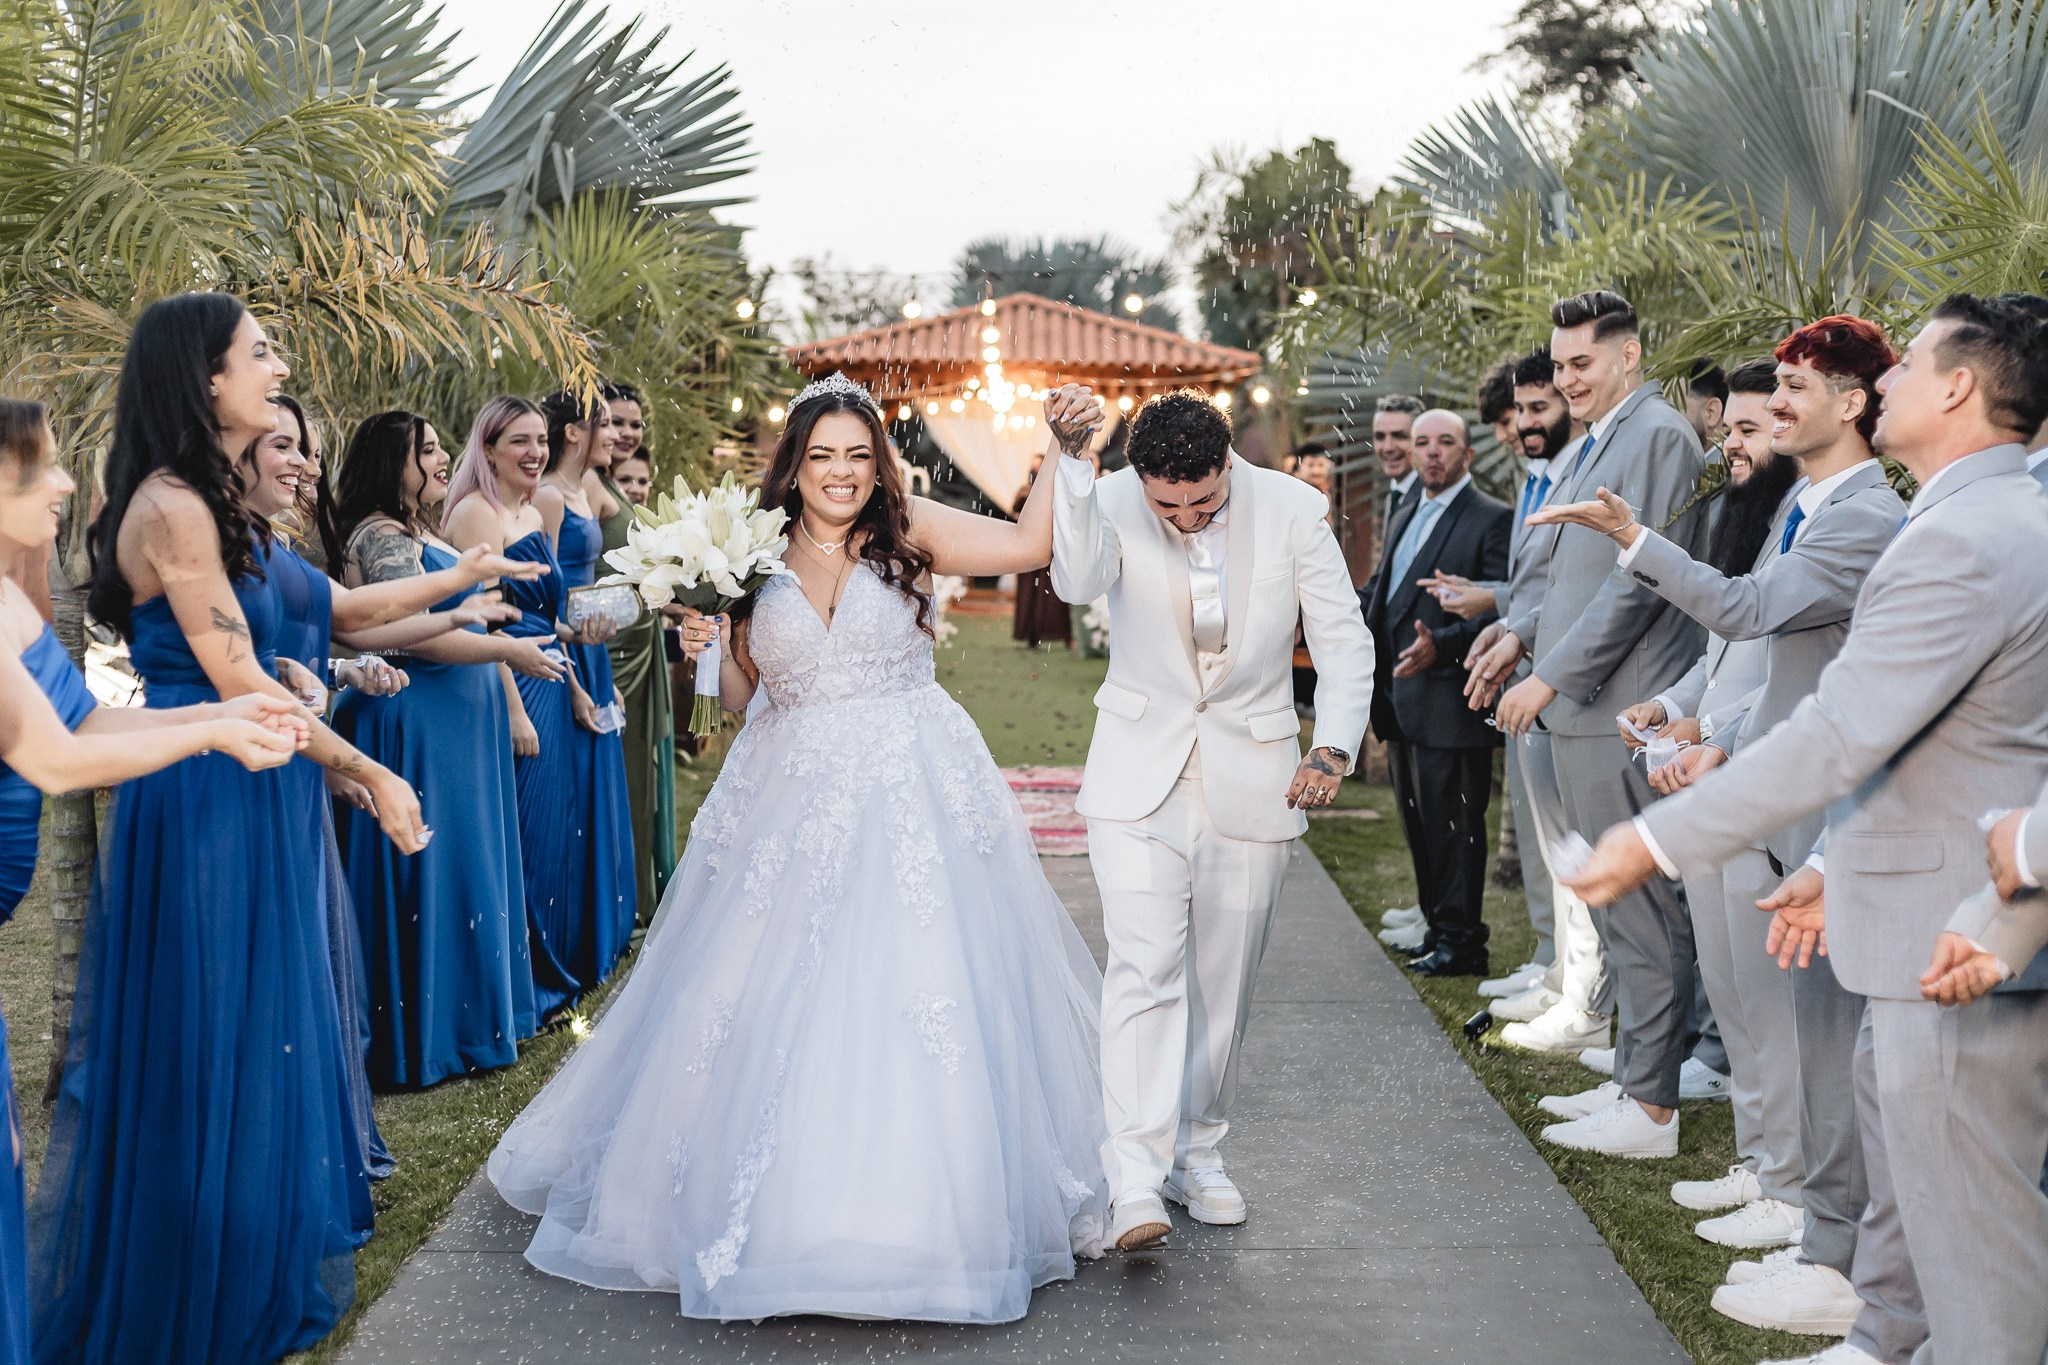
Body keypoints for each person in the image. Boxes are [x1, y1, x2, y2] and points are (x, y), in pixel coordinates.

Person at [489, 375, 1111, 1324]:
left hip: (913, 786)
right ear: (796, 461)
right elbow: (737, 700)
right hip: (788, 794)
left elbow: (1030, 544)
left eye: (860, 456)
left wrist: (1064, 450)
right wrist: (704, 636)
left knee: (921, 980)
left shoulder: (914, 532)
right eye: (823, 455)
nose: (842, 474)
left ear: (880, 463)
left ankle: (920, 1219)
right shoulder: (745, 549)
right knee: (750, 988)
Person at [1562, 294, 2048, 1365]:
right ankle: (1886, 1333)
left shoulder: (1960, 534)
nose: (1888, 380)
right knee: (1934, 1214)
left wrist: (1655, 838)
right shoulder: (1977, 516)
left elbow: (1837, 728)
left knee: (1981, 1261)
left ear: (1959, 388)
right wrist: (1836, 856)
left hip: (1954, 930)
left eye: (1910, 360)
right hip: (1923, 904)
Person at [28, 292, 427, 1365]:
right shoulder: (172, 505)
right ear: (205, 379)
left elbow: (259, 658)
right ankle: (193, 1289)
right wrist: (368, 773)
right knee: (215, 1028)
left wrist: (318, 712)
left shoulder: (208, 500)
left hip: (256, 776)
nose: (277, 363)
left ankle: (244, 1252)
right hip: (206, 793)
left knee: (264, 1022)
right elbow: (233, 675)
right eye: (259, 353)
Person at [0, 398, 306, 1365]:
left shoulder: (11, 601)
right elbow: (51, 761)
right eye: (33, 473)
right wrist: (216, 726)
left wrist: (217, 725)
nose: (61, 485)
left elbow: (86, 723)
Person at [1051, 389, 1373, 1252]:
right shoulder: (1109, 496)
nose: (1188, 517)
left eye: (1205, 500)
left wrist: (1332, 746)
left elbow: (1343, 641)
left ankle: (1202, 1151)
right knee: (1143, 967)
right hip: (1137, 773)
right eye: (1169, 504)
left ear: (1228, 464)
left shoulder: (1297, 509)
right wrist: (1075, 474)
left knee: (1224, 987)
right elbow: (1074, 581)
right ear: (1140, 478)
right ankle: (1132, 1180)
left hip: (1257, 771)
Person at [1492, 289, 1710, 1161]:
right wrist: (1520, 638)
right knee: (1622, 920)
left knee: (1647, 915)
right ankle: (1633, 1081)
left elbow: (1636, 584)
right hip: (1588, 710)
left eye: (1583, 362)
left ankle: (1653, 1108)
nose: (1567, 378)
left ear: (1630, 354)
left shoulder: (1657, 434)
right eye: (1559, 364)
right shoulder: (1603, 436)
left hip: (1625, 705)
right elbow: (1563, 569)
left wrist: (1549, 677)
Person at [334, 410, 562, 1087]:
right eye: (425, 450)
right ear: (390, 462)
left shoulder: (417, 531)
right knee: (433, 877)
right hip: (416, 723)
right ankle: (428, 1037)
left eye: (438, 447)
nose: (441, 459)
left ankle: (468, 1021)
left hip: (455, 727)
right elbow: (410, 635)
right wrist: (505, 648)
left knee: (467, 867)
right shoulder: (380, 535)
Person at [1446, 348, 1612, 1055]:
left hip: (1572, 680)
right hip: (1532, 676)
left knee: (1578, 848)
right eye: (1516, 413)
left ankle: (1584, 994)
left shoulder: (1584, 474)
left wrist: (1502, 610)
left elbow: (1573, 585)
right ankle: (1557, 969)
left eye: (1534, 408)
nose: (1520, 426)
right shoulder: (1539, 478)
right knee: (1551, 845)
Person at [444, 397, 626, 1020]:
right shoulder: (476, 515)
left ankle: (548, 973)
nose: (535, 453)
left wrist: (580, 656)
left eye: (540, 440)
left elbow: (544, 618)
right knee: (525, 836)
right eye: (519, 441)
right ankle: (524, 988)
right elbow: (481, 619)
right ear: (488, 447)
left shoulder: (526, 509)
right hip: (511, 689)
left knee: (555, 832)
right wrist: (516, 712)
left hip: (550, 676)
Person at [1360, 410, 1509, 976]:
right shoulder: (1406, 510)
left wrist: (1441, 645)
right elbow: (1385, 593)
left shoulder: (1491, 519)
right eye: (1422, 443)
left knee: (1455, 831)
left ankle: (1463, 944)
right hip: (1400, 700)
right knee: (1422, 828)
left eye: (1445, 443)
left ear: (1467, 455)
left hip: (1452, 700)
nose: (1430, 453)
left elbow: (1502, 606)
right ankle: (1436, 928)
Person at [537, 389, 637, 945]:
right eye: (604, 425)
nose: (616, 436)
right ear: (574, 433)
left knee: (600, 778)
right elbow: (545, 596)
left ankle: (606, 925)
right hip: (566, 647)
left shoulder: (584, 488)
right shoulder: (550, 496)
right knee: (573, 792)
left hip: (593, 642)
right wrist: (575, 680)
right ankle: (575, 930)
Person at [593, 381, 677, 919]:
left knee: (643, 772)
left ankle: (641, 894)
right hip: (607, 647)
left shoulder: (616, 488)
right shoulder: (586, 488)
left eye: (634, 424)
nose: (625, 433)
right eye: (614, 423)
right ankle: (618, 903)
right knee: (617, 776)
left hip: (642, 644)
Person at [1011, 454, 1072, 648]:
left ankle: (1059, 633)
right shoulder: (1024, 492)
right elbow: (1015, 513)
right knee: (1030, 593)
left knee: (1053, 593)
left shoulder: (1058, 491)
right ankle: (1030, 634)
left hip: (1051, 548)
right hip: (1028, 549)